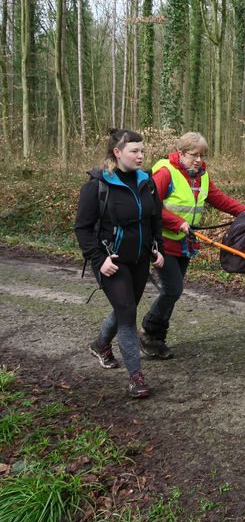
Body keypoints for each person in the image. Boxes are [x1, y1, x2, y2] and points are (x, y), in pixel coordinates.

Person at [139, 132, 245, 359]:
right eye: (194, 155)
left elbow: (219, 199)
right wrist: (178, 222)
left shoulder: (201, 176)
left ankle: (155, 339)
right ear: (181, 153)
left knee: (173, 292)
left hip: (184, 244)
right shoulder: (165, 173)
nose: (199, 160)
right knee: (173, 289)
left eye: (203, 155)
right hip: (161, 241)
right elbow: (149, 206)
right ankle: (148, 332)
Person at [75, 129, 165, 399]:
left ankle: (101, 344)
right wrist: (99, 260)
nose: (141, 156)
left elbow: (154, 218)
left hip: (139, 258)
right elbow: (83, 228)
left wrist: (156, 247)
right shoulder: (98, 185)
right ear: (117, 152)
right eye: (134, 151)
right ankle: (136, 377)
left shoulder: (146, 181)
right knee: (127, 311)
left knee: (127, 307)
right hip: (111, 260)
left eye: (142, 151)